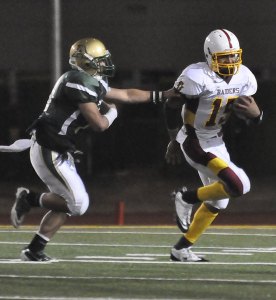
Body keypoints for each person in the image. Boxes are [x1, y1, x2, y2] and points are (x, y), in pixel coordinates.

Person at [9, 37, 166, 261]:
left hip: (58, 149)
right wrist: (113, 113)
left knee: (70, 203)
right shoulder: (76, 80)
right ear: (84, 62)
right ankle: (29, 198)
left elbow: (127, 94)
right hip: (48, 148)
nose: (104, 64)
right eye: (99, 60)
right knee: (78, 203)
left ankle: (34, 250)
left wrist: (163, 95)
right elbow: (100, 124)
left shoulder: (91, 80)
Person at [164, 29, 263, 262]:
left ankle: (181, 250)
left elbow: (252, 114)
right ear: (210, 56)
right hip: (194, 140)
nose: (230, 61)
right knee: (240, 184)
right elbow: (170, 106)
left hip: (216, 141)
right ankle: (185, 197)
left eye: (233, 55)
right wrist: (172, 140)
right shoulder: (196, 76)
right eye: (224, 56)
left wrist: (257, 115)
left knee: (220, 200)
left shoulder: (244, 76)